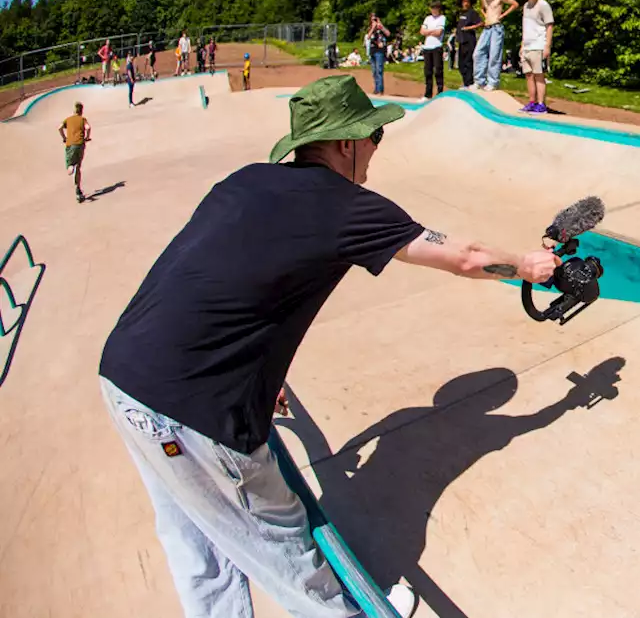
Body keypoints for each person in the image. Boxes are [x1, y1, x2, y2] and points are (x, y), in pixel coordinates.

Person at [96, 75, 561, 618]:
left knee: (199, 543)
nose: (375, 152)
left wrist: (257, 379)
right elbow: (464, 256)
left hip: (124, 375)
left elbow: (214, 279)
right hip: (196, 410)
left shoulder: (244, 181)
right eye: (374, 138)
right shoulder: (347, 206)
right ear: (347, 143)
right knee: (286, 545)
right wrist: (528, 266)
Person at [474, 0, 519, 91]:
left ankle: (493, 82)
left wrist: (503, 15)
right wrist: (485, 16)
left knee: (494, 55)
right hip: (487, 28)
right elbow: (482, 8)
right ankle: (479, 81)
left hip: (496, 28)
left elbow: (515, 4)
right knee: (478, 53)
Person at [518, 0, 554, 113]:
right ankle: (532, 102)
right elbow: (525, 27)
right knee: (528, 75)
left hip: (539, 45)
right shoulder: (526, 7)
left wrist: (547, 46)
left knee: (539, 75)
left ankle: (541, 103)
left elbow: (549, 25)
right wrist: (522, 45)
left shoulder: (543, 5)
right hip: (527, 45)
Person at [59, 101, 91, 203]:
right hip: (81, 144)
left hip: (70, 145)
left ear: (74, 111)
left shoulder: (68, 120)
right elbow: (88, 127)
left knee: (70, 166)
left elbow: (59, 127)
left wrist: (64, 138)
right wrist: (87, 137)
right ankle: (78, 190)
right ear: (81, 111)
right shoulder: (83, 119)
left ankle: (70, 167)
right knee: (78, 166)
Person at [454, 0, 482, 89]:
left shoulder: (472, 13)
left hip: (469, 40)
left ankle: (469, 83)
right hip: (461, 41)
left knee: (468, 62)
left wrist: (469, 28)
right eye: (464, 2)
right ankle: (465, 82)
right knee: (461, 64)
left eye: (467, 2)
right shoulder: (461, 13)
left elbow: (480, 23)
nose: (465, 4)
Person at [419, 2, 447, 98]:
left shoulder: (442, 18)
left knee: (438, 70)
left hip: (437, 46)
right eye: (432, 8)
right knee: (428, 71)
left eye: (436, 8)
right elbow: (422, 31)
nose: (434, 10)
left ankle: (440, 92)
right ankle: (428, 94)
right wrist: (431, 31)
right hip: (427, 47)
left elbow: (439, 32)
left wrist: (428, 32)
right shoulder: (428, 18)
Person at [367, 13, 390, 95]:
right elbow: (368, 37)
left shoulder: (381, 29)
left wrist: (381, 26)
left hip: (379, 51)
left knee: (379, 70)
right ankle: (376, 89)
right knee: (374, 71)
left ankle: (380, 90)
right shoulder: (370, 28)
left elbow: (388, 34)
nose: (374, 21)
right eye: (372, 19)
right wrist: (373, 27)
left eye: (375, 19)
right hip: (372, 51)